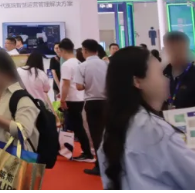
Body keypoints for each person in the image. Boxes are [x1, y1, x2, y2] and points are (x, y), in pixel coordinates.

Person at [98, 46, 195, 189]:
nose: (166, 79)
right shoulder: (156, 130)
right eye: (160, 73)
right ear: (138, 81)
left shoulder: (114, 126)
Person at [56, 38, 93, 162]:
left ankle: (87, 153)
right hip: (79, 98)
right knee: (75, 126)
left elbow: (66, 84)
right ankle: (80, 150)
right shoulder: (78, 62)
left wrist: (62, 99)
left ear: (62, 51)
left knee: (76, 127)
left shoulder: (67, 65)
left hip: (71, 99)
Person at [76, 39, 108, 176]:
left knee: (96, 135)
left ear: (84, 50)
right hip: (107, 102)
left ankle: (99, 166)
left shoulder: (82, 66)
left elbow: (79, 86)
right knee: (107, 134)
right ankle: (110, 164)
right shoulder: (106, 64)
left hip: (92, 102)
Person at [163, 31, 195, 109]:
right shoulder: (164, 74)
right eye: (170, 48)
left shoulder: (192, 74)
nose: (174, 53)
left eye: (178, 48)